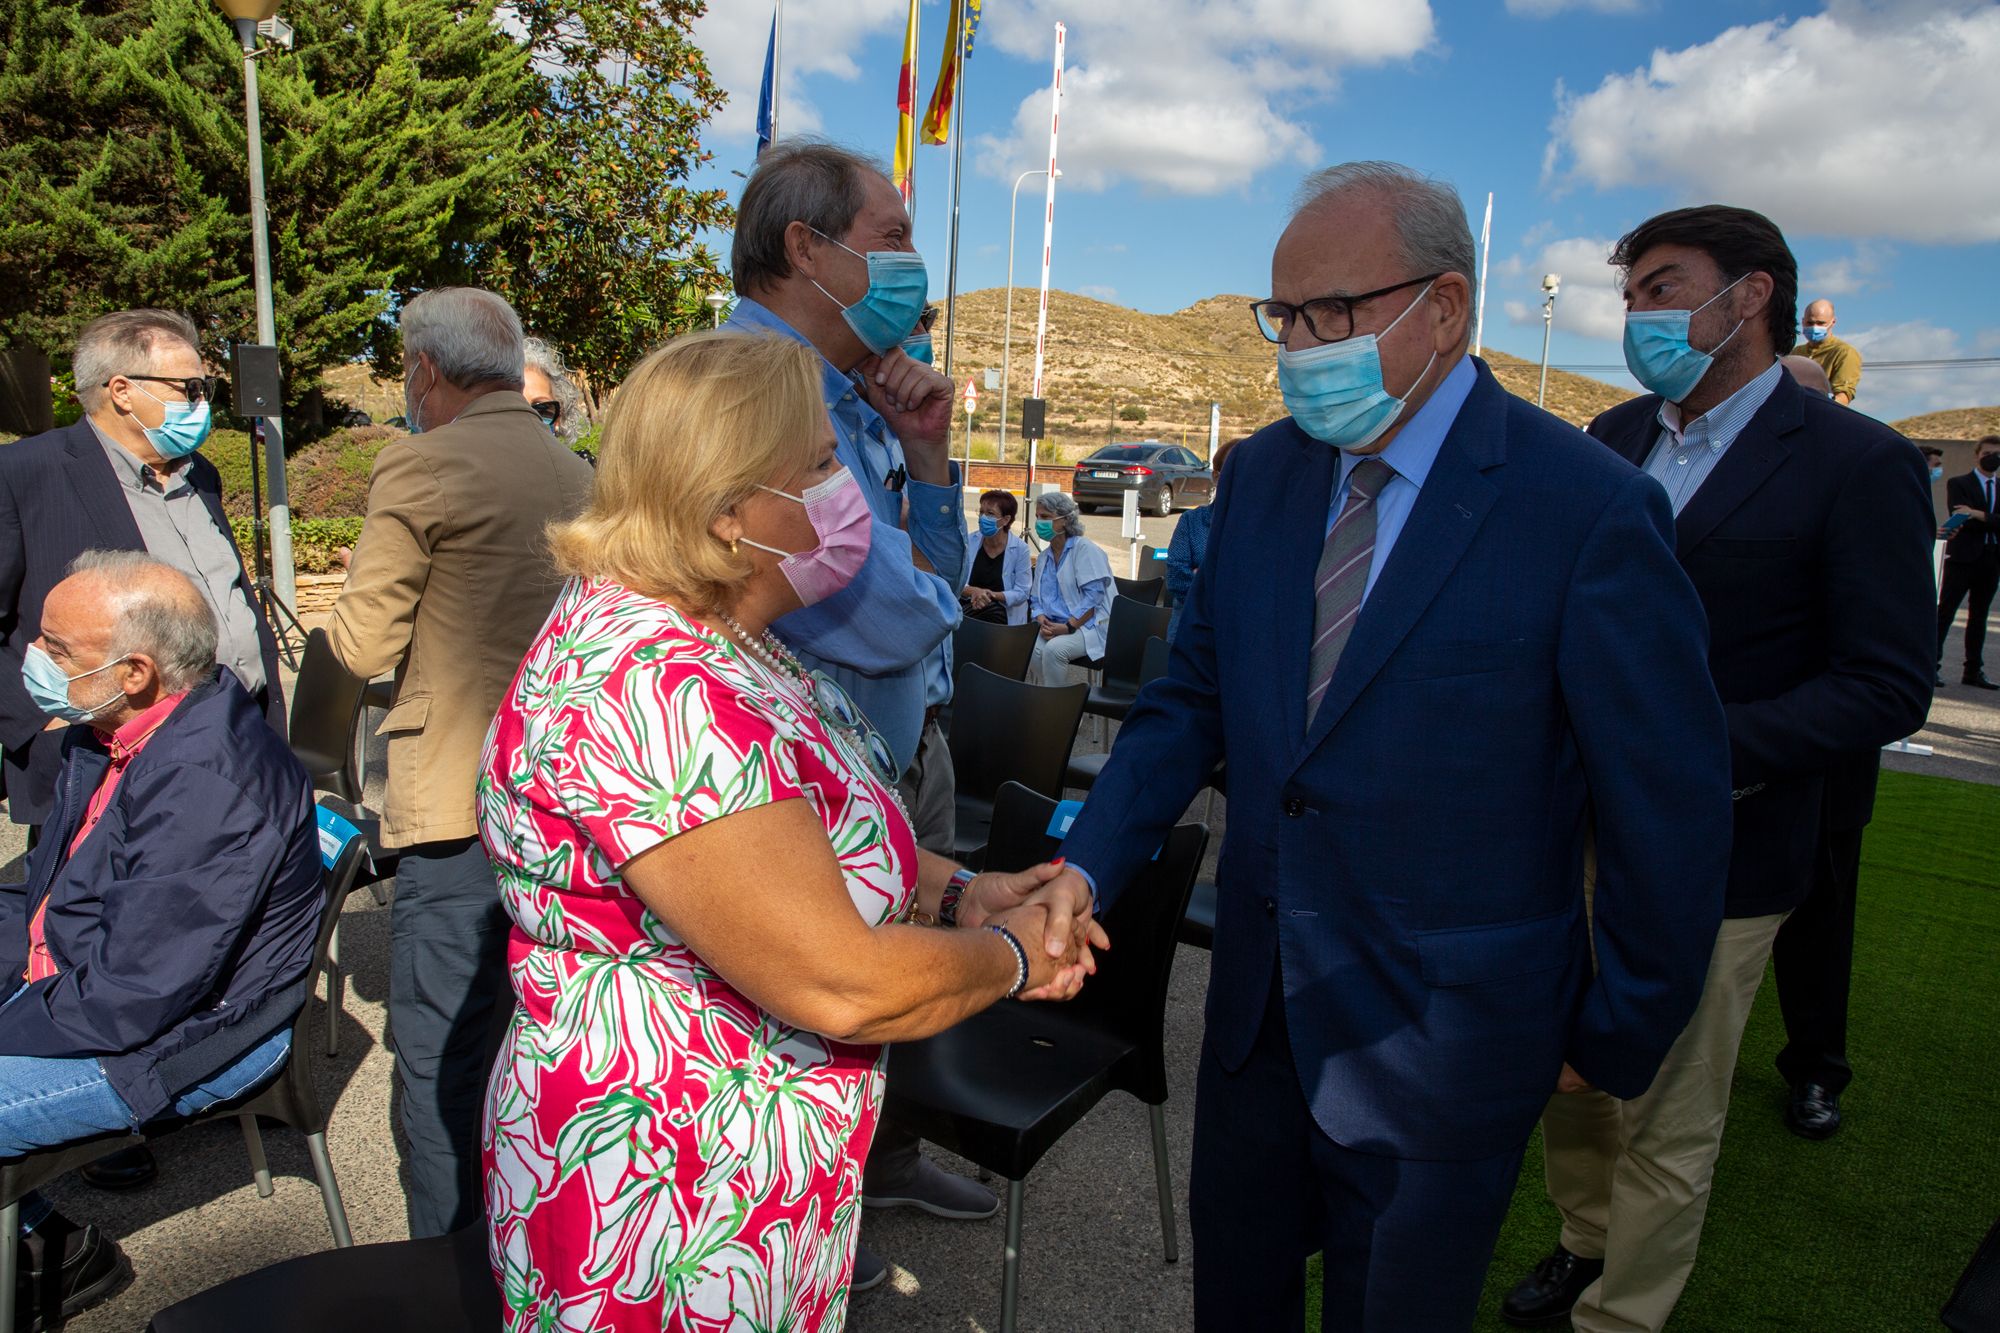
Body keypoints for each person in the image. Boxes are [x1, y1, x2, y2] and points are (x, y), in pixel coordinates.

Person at [1015, 160, 1732, 1330]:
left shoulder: (1585, 508)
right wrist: (1083, 864)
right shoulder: (1258, 477)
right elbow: (1185, 703)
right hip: (1255, 1025)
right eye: (1282, 316)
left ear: (1442, 307)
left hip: (1446, 1042)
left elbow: (1668, 803)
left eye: (1332, 314)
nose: (1298, 346)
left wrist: (1616, 1027)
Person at [476, 330, 1100, 1330]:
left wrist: (954, 890)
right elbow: (834, 979)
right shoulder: (653, 687)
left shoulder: (718, 634)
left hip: (747, 1171)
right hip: (667, 1188)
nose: (842, 486)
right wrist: (1011, 957)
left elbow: (812, 829)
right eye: (816, 464)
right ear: (729, 513)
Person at [1504, 205, 1935, 1333]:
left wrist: (1690, 751)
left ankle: (1623, 1314)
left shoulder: (1860, 462)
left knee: (1667, 1108)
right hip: (1570, 832)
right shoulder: (1607, 437)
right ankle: (1581, 1244)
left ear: (1748, 296)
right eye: (1630, 292)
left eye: (1659, 287)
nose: (1636, 314)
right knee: (1572, 1074)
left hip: (1726, 847)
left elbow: (1886, 683)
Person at [722, 139, 986, 1279]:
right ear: (805, 248)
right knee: (813, 1009)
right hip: (811, 781)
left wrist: (925, 460)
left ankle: (873, 1175)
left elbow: (939, 584)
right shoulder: (753, 390)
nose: (913, 265)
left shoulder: (861, 387)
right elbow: (904, 616)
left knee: (871, 1017)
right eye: (893, 238)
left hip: (891, 745)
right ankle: (818, 1224)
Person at [325, 286, 594, 1239]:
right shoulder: (575, 470)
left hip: (457, 805)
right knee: (528, 1055)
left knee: (438, 1059)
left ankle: (443, 1275)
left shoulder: (420, 463)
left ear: (424, 372)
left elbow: (359, 645)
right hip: (566, 801)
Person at [0, 553, 320, 1330]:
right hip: (95, 985)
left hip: (181, 1038)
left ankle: (56, 1251)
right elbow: (42, 892)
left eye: (54, 648)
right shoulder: (104, 730)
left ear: (135, 670)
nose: (31, 661)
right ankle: (49, 1241)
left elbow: (131, 1000)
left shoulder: (209, 780)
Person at [0, 309, 284, 832]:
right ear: (123, 391)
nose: (202, 403)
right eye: (190, 387)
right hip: (104, 762)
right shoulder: (26, 473)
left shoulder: (200, 474)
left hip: (234, 741)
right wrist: (37, 719)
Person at [1027, 491, 1115, 687]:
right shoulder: (1044, 557)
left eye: (1046, 517)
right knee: (1031, 648)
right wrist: (1043, 621)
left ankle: (1058, 711)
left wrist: (1068, 626)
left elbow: (1093, 598)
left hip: (1087, 626)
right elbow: (1035, 599)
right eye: (1038, 517)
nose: (1039, 523)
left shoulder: (1085, 550)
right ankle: (1055, 702)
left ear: (1065, 520)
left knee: (1054, 651)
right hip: (1053, 626)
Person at [1937, 434, 2000, 690]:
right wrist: (1987, 518)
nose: (1992, 458)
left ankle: (1973, 671)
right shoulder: (1959, 483)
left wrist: (1975, 513)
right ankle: (1932, 666)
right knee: (1946, 613)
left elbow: (1971, 516)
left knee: (1979, 616)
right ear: (1977, 455)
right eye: (1987, 453)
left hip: (1991, 558)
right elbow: (1958, 516)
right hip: (1962, 557)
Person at [1164, 437, 1240, 640]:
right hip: (1190, 634)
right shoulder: (1192, 521)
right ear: (1216, 476)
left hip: (1238, 636)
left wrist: (1203, 575)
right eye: (1234, 473)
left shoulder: (1262, 527)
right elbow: (1175, 579)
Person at [962, 489, 1031, 626]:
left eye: (990, 514)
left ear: (1006, 520)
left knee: (992, 610)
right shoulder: (968, 542)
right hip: (968, 605)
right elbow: (955, 581)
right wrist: (974, 592)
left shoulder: (1020, 549)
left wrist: (990, 595)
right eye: (981, 512)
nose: (982, 518)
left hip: (1001, 613)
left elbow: (1022, 592)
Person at [521, 335, 585, 448]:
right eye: (515, 408)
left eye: (542, 410)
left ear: (559, 419)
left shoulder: (576, 465)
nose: (528, 420)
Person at [1794, 298, 1861, 404]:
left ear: (1833, 322)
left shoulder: (1844, 353)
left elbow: (1843, 395)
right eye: (1809, 322)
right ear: (1802, 321)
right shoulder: (1795, 353)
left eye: (1820, 323)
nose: (1814, 327)